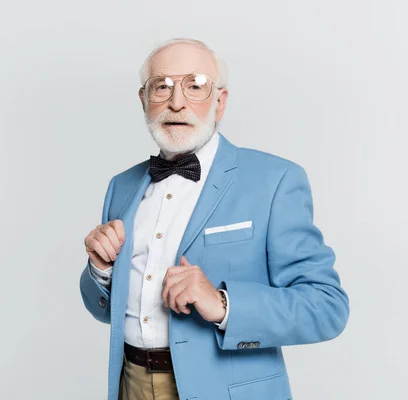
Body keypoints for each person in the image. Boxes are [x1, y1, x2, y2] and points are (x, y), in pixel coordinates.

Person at [79, 38, 349, 400]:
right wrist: (100, 270)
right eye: (162, 87)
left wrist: (223, 304)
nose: (176, 102)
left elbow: (327, 306)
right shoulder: (121, 187)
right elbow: (104, 310)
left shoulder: (275, 180)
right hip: (131, 383)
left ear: (219, 102)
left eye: (195, 86)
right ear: (144, 100)